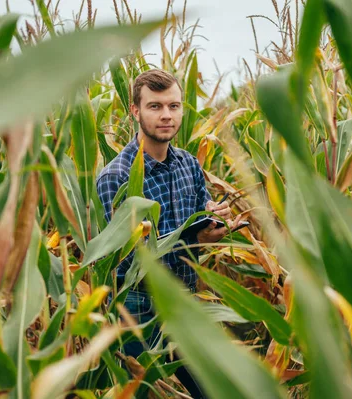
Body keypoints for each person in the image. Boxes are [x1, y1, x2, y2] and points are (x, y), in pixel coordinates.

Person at [96, 69, 242, 396]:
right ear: (135, 111)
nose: (166, 116)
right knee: (137, 391)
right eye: (155, 107)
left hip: (184, 300)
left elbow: (198, 212)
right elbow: (134, 259)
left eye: (174, 106)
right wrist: (194, 239)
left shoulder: (189, 164)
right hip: (136, 307)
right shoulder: (115, 178)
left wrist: (216, 217)